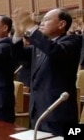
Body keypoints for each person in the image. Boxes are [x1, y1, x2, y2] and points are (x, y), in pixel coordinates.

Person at [12, 8, 81, 136]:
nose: (41, 23)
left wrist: (31, 28)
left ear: (61, 24)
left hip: (58, 112)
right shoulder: (38, 47)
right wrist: (18, 32)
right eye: (41, 20)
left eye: (46, 20)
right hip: (38, 111)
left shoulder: (73, 41)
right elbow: (17, 55)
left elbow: (55, 51)